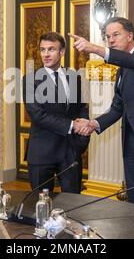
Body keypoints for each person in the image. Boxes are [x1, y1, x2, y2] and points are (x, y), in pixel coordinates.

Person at [69, 17, 134, 214]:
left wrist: (96, 49)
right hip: (131, 141)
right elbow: (118, 108)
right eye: (107, 36)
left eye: (115, 35)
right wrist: (93, 123)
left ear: (130, 35)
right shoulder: (123, 69)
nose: (110, 40)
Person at [23, 32, 90, 193]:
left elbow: (81, 107)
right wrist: (73, 125)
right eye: (42, 49)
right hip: (42, 151)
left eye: (51, 49)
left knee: (73, 203)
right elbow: (37, 115)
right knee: (41, 206)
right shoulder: (30, 79)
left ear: (62, 52)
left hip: (70, 150)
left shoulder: (73, 76)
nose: (45, 54)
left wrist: (84, 130)